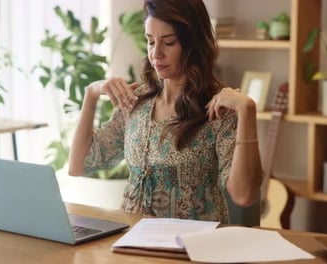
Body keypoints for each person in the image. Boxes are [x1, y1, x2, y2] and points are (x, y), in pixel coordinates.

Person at [69, 0, 262, 223]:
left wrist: (247, 112)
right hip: (131, 242)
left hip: (192, 246)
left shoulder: (219, 109)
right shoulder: (136, 101)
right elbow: (78, 165)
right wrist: (91, 94)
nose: (156, 54)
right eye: (150, 42)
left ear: (192, 44)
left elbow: (244, 195)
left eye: (168, 42)